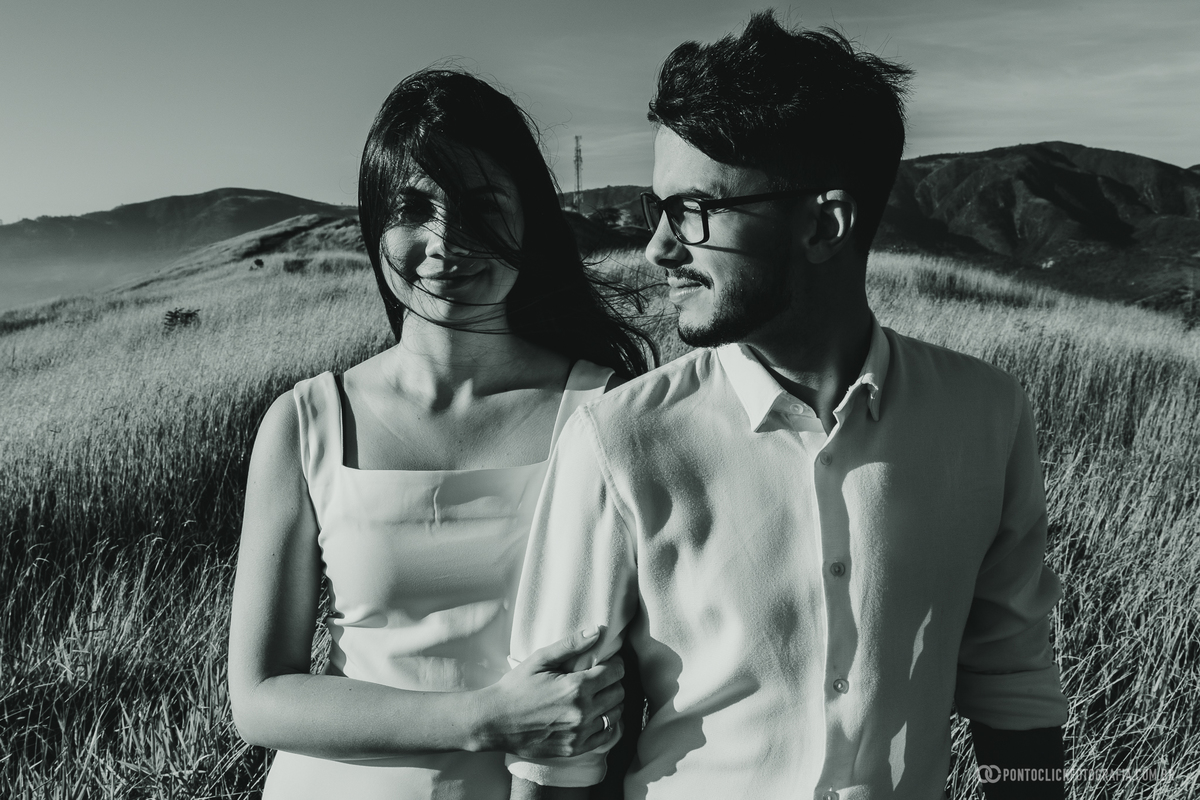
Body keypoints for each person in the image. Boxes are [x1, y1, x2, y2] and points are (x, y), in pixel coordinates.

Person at [507, 13, 1067, 800]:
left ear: (824, 223)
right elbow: (557, 759)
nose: (658, 248)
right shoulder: (617, 442)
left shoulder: (986, 415)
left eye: (694, 211)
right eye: (655, 208)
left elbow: (1016, 684)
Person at [227, 68, 655, 799]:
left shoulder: (607, 412)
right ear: (373, 225)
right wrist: (482, 718)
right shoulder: (306, 422)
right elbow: (261, 696)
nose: (447, 239)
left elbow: (627, 687)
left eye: (483, 205)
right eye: (413, 206)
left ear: (529, 221)